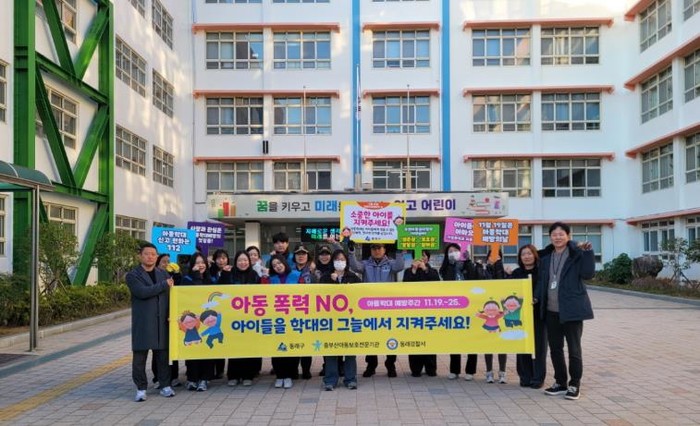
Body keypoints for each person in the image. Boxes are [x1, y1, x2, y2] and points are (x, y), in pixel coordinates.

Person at [536, 222, 595, 401]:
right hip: (551, 311)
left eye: (561, 234)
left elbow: (588, 274)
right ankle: (560, 382)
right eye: (554, 234)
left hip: (572, 310)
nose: (558, 237)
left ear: (568, 236)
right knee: (555, 349)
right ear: (550, 237)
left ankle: (574, 384)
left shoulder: (577, 254)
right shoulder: (546, 257)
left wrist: (588, 253)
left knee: (574, 349)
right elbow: (541, 280)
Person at [125, 243, 175, 402]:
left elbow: (171, 296)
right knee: (140, 357)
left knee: (163, 356)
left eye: (153, 254)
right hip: (144, 322)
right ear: (140, 256)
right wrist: (163, 285)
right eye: (147, 254)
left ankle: (165, 385)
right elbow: (142, 292)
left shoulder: (163, 273)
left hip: (162, 321)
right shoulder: (133, 275)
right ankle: (141, 388)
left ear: (157, 256)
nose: (150, 257)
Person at [348, 242, 405, 378]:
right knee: (371, 336)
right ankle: (371, 365)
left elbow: (400, 266)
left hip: (388, 308)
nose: (377, 250)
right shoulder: (366, 264)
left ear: (384, 249)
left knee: (390, 336)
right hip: (369, 308)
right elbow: (355, 266)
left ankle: (390, 365)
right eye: (374, 248)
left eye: (379, 248)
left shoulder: (390, 264)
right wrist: (351, 251)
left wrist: (399, 251)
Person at [439, 243, 482, 380]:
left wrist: (467, 261)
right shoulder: (446, 268)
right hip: (454, 307)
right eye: (450, 251)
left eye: (455, 250)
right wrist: (452, 265)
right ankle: (454, 369)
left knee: (472, 339)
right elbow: (448, 281)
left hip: (470, 305)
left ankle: (470, 371)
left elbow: (475, 277)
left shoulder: (468, 265)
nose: (453, 253)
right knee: (455, 339)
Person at [320, 249, 360, 390]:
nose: (340, 262)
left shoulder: (353, 277)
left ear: (346, 262)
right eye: (337, 259)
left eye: (342, 259)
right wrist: (332, 282)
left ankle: (350, 379)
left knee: (350, 350)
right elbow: (319, 296)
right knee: (331, 351)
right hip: (331, 321)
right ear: (332, 261)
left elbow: (361, 294)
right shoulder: (325, 277)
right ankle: (330, 380)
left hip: (349, 320)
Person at [511, 244, 547, 389]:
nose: (526, 256)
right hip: (520, 316)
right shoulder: (516, 273)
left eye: (529, 253)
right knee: (522, 345)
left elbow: (543, 289)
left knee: (539, 347)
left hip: (538, 314)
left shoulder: (542, 272)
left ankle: (538, 378)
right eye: (523, 254)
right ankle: (525, 376)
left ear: (535, 255)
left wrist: (536, 298)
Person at [226, 251, 262, 387]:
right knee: (234, 346)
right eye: (240, 260)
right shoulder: (229, 274)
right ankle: (233, 375)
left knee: (248, 346)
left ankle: (248, 375)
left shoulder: (254, 275)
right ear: (235, 262)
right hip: (233, 317)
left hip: (250, 317)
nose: (243, 263)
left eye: (245, 260)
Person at [181, 252, 215, 392]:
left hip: (207, 320)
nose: (200, 265)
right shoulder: (187, 279)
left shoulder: (210, 279)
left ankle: (205, 378)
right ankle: (192, 378)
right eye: (197, 263)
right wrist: (195, 275)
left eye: (202, 263)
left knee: (207, 349)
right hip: (192, 321)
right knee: (193, 348)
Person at [403, 250, 440, 377]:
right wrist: (413, 270)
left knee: (430, 340)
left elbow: (436, 284)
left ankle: (431, 368)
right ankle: (416, 368)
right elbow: (405, 288)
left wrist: (425, 269)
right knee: (415, 340)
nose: (421, 258)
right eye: (419, 256)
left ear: (428, 258)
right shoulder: (408, 271)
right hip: (413, 311)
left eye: (424, 256)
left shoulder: (433, 271)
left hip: (429, 311)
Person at [267, 254, 301, 389]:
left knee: (291, 348)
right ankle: (279, 375)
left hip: (293, 317)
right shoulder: (270, 279)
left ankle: (289, 375)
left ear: (284, 263)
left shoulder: (297, 275)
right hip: (276, 319)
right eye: (274, 265)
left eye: (279, 263)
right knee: (277, 348)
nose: (277, 266)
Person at [150, 254, 182, 389]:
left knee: (172, 347)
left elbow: (180, 289)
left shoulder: (172, 274)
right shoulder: (153, 276)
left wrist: (177, 274)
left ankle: (173, 376)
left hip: (172, 317)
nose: (166, 264)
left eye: (168, 262)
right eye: (163, 262)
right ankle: (158, 377)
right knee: (158, 348)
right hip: (157, 317)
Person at [481, 248, 508, 384]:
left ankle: (502, 372)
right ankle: (489, 372)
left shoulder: (504, 272)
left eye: (497, 256)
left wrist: (499, 266)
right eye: (491, 256)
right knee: (488, 344)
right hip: (487, 309)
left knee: (502, 344)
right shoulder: (483, 271)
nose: (494, 258)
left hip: (500, 311)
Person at [292, 244, 316, 379]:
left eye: (303, 253)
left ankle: (306, 370)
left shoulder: (313, 271)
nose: (301, 256)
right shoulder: (289, 270)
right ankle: (294, 370)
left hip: (309, 311)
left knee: (307, 342)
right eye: (298, 254)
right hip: (292, 311)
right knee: (295, 342)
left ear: (308, 256)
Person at [209, 249, 232, 379]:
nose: (221, 260)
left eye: (224, 258)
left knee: (221, 339)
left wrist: (226, 274)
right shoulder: (210, 272)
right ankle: (211, 369)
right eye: (218, 258)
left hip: (227, 310)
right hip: (211, 311)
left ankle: (220, 369)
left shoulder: (231, 271)